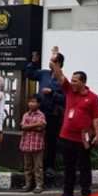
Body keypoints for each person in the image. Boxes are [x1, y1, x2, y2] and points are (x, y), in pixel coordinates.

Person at [51, 58, 98, 196]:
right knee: (69, 167)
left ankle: (86, 192)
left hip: (83, 139)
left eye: (75, 81)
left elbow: (95, 118)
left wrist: (97, 135)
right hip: (66, 137)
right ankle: (68, 192)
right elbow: (59, 75)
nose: (72, 83)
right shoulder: (69, 91)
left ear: (83, 82)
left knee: (85, 166)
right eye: (71, 80)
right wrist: (55, 60)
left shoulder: (92, 98)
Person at [24, 47, 66, 184]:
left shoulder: (62, 80)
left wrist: (52, 93)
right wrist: (33, 62)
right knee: (37, 139)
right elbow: (29, 74)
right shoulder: (44, 74)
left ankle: (49, 166)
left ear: (59, 64)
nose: (50, 62)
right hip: (39, 113)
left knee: (51, 141)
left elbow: (64, 99)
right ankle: (36, 166)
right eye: (50, 60)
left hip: (53, 114)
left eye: (53, 60)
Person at [19, 94, 47, 193]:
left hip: (37, 145)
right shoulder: (25, 115)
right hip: (26, 145)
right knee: (28, 167)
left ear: (38, 104)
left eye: (33, 102)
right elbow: (23, 127)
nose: (30, 103)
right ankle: (28, 184)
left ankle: (39, 185)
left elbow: (40, 128)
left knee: (38, 167)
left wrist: (29, 126)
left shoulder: (41, 115)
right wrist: (35, 125)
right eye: (29, 101)